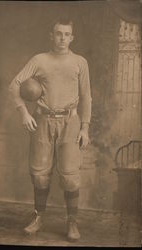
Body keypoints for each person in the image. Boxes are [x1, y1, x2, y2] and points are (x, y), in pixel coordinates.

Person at [9, 17, 92, 242]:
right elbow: (14, 84)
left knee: (70, 177)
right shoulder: (39, 60)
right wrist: (24, 112)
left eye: (66, 34)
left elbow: (86, 97)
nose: (62, 38)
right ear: (51, 35)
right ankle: (38, 218)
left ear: (72, 37)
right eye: (58, 33)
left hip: (70, 123)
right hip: (43, 121)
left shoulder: (80, 62)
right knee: (39, 175)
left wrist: (84, 128)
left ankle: (72, 222)